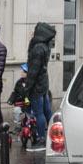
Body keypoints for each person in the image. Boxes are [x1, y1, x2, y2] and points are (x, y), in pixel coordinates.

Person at [23, 20, 56, 151]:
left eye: (35, 31)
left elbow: (33, 71)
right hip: (43, 83)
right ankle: (54, 136)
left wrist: (27, 88)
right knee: (47, 111)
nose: (33, 33)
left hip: (37, 85)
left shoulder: (37, 48)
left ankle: (42, 139)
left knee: (39, 112)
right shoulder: (45, 46)